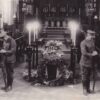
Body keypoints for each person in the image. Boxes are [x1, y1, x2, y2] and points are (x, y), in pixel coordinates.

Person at [80, 30, 98, 95]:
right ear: (88, 35)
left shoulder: (92, 42)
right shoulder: (83, 43)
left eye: (93, 36)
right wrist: (92, 54)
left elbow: (93, 50)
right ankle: (84, 89)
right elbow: (84, 53)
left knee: (89, 76)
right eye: (92, 36)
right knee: (84, 76)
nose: (93, 37)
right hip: (84, 62)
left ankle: (88, 88)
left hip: (91, 62)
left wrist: (96, 52)